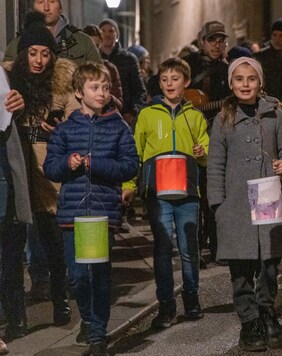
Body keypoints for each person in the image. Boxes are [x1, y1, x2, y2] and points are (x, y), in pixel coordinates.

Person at [43, 62, 139, 356]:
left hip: (102, 212)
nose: (102, 93)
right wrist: (68, 163)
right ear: (78, 92)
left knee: (97, 273)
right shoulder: (66, 129)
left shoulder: (118, 126)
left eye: (106, 87)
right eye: (95, 87)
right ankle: (87, 317)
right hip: (73, 214)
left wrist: (95, 164)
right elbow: (50, 168)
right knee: (77, 276)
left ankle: (98, 332)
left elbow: (130, 165)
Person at [207, 57, 282, 352]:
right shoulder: (223, 118)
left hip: (268, 196)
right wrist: (217, 204)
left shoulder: (275, 115)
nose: (245, 84)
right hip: (235, 202)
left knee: (269, 261)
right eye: (239, 79)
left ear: (260, 83)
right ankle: (249, 321)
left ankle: (267, 311)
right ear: (231, 84)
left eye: (251, 79)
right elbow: (216, 163)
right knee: (241, 265)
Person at [6, 11, 81, 331]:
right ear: (24, 54)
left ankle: (60, 299)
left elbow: (79, 119)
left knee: (52, 238)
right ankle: (16, 309)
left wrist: (62, 125)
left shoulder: (63, 80)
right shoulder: (9, 79)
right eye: (33, 53)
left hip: (49, 167)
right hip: (17, 165)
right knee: (14, 241)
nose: (39, 60)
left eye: (45, 54)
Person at [130, 57, 208, 329]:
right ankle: (165, 305)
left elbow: (207, 151)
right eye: (164, 80)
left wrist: (202, 152)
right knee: (162, 249)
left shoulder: (195, 116)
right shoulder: (147, 114)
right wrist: (129, 186)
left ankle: (191, 298)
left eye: (175, 79)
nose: (169, 84)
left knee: (189, 248)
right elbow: (135, 153)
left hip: (188, 191)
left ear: (186, 82)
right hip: (159, 192)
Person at [182, 21, 231, 263]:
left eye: (221, 40)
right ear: (202, 41)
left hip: (215, 135)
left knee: (214, 191)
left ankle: (216, 246)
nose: (217, 45)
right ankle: (196, 246)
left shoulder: (228, 69)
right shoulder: (188, 65)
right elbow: (161, 85)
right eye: (212, 40)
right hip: (189, 136)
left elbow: (229, 103)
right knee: (193, 192)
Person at [0, 70, 28, 348]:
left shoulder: (3, 73)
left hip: (3, 171)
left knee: (9, 248)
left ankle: (14, 317)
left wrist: (18, 105)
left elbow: (8, 110)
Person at [2, 0, 101, 66]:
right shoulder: (17, 44)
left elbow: (98, 78)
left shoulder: (83, 42)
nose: (46, 7)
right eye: (40, 2)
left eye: (52, 1)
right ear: (33, 7)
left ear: (61, 7)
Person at [99, 19, 147, 125]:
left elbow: (140, 90)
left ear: (117, 35)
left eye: (111, 31)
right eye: (103, 30)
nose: (107, 34)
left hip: (124, 117)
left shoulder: (129, 59)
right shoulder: (94, 58)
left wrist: (132, 112)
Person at [254, 18, 282, 117]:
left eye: (281, 36)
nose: (277, 39)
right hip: (267, 107)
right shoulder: (261, 56)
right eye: (274, 35)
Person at [82, 24, 123, 111]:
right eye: (90, 46)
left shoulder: (109, 69)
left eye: (96, 46)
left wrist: (110, 98)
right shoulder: (74, 69)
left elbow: (119, 104)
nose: (93, 50)